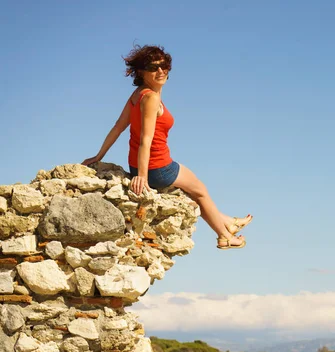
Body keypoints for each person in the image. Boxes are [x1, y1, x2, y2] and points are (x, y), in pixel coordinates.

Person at [83, 45, 251, 249]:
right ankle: (224, 236)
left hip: (143, 165)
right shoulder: (151, 98)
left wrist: (99, 155)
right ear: (141, 72)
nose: (161, 71)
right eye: (154, 67)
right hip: (157, 168)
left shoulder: (138, 95)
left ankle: (227, 222)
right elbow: (146, 138)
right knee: (201, 191)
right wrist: (142, 177)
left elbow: (118, 127)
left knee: (195, 190)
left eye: (164, 66)